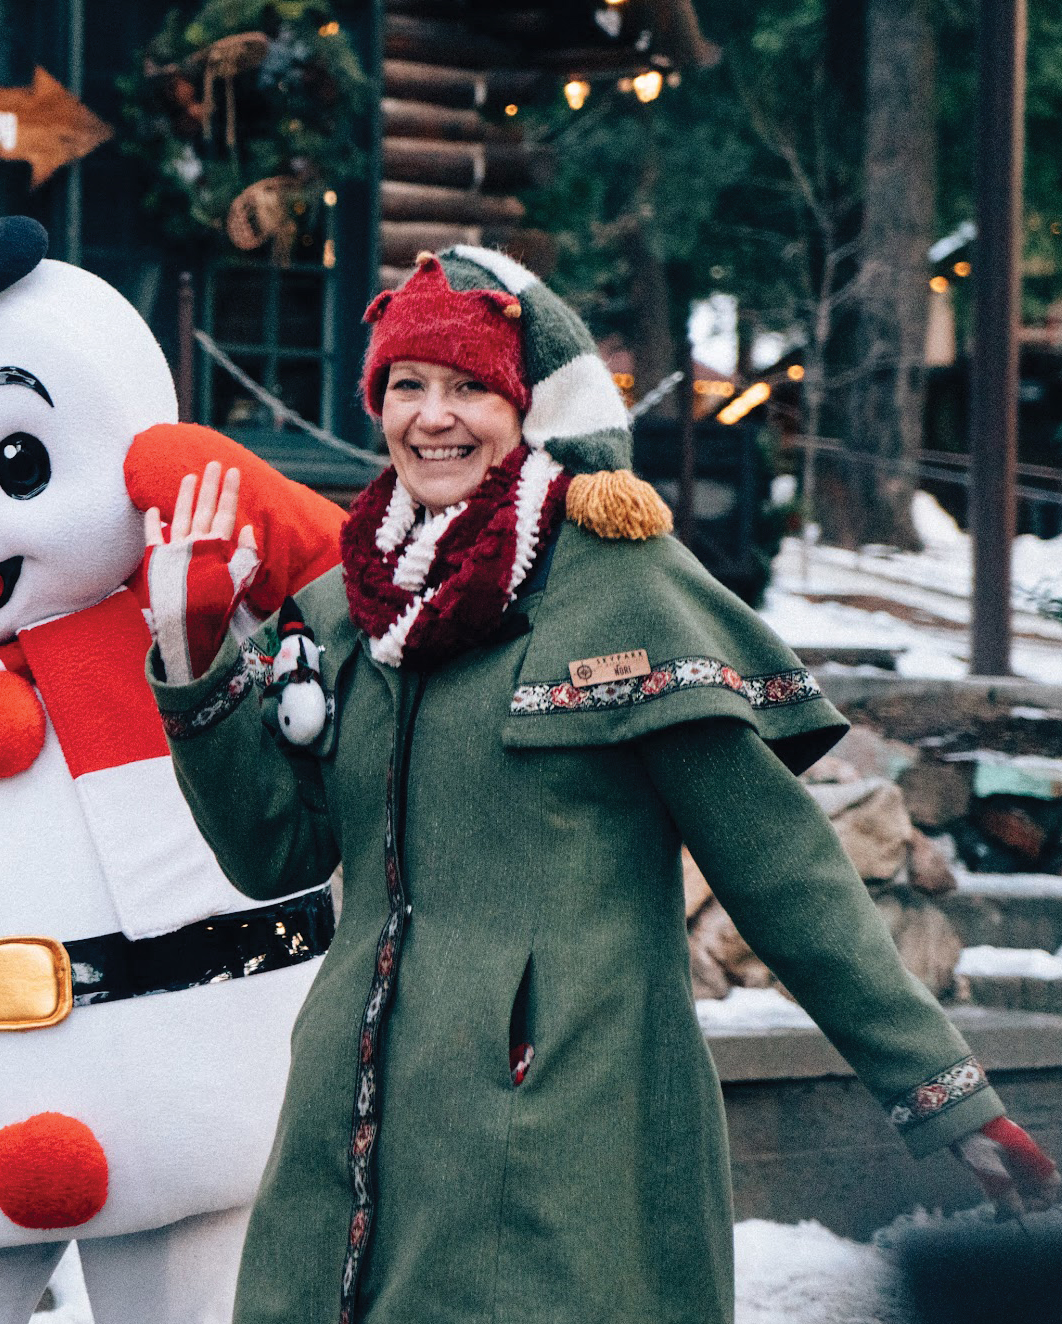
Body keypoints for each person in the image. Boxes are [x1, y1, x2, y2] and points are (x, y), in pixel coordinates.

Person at [140, 248, 1059, 1324]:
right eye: (407, 386)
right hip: (353, 1129)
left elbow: (782, 868)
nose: (434, 418)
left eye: (469, 386)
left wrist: (949, 1099)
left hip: (565, 1132)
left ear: (524, 405)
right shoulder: (350, 603)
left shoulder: (619, 584)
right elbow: (275, 855)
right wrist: (189, 655)